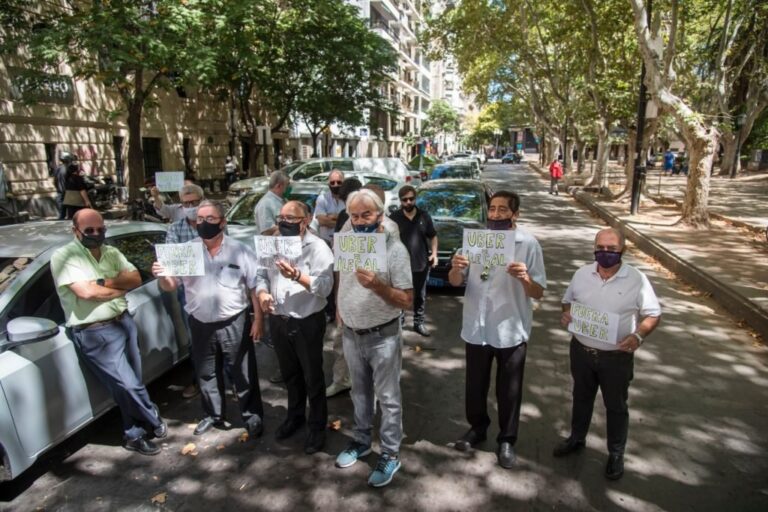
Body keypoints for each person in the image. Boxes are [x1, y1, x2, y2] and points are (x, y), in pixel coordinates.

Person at [51, 209, 166, 455]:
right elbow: (86, 292)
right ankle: (152, 416)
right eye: (89, 230)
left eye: (100, 229)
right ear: (75, 231)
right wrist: (118, 287)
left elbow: (135, 279)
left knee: (130, 383)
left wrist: (103, 283)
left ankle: (134, 434)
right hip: (94, 332)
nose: (96, 234)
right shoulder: (64, 256)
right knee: (128, 385)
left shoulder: (111, 252)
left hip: (123, 322)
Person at [448, 190, 546, 469]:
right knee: (475, 385)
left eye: (503, 209)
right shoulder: (474, 241)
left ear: (516, 214)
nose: (496, 214)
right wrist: (455, 268)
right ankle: (477, 428)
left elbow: (538, 292)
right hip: (476, 327)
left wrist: (525, 278)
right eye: (492, 209)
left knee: (509, 389)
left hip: (510, 329)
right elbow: (455, 281)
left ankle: (507, 439)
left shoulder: (528, 244)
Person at [554, 227, 661, 481]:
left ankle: (615, 453)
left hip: (616, 357)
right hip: (581, 351)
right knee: (581, 398)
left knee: (615, 406)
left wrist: (638, 336)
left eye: (611, 249)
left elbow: (653, 314)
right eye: (600, 248)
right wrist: (567, 313)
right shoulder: (582, 274)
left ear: (623, 250)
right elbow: (567, 301)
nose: (605, 253)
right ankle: (577, 438)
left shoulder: (636, 279)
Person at [152, 200, 265, 439]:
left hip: (234, 321)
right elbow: (171, 285)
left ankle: (251, 415)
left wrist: (258, 320)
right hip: (200, 322)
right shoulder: (187, 251)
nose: (203, 223)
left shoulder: (240, 250)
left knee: (242, 371)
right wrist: (162, 275)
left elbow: (254, 286)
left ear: (222, 222)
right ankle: (213, 415)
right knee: (206, 372)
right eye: (200, 219)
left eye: (210, 219)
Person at [334, 189, 413, 488]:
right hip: (351, 333)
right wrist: (339, 308)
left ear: (380, 215)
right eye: (354, 216)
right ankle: (362, 441)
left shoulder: (395, 250)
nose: (359, 221)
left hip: (383, 336)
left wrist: (378, 286)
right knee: (360, 393)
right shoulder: (348, 241)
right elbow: (342, 278)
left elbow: (407, 300)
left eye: (366, 214)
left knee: (389, 398)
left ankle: (390, 453)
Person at [256, 201, 334, 454]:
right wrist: (262, 293)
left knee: (313, 377)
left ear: (306, 220)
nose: (284, 222)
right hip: (279, 320)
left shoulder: (318, 247)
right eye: (281, 217)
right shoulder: (272, 244)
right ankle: (295, 416)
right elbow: (261, 274)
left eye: (291, 218)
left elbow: (325, 287)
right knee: (290, 375)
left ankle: (317, 427)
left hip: (307, 321)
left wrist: (297, 276)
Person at [166, 183, 206, 399]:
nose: (190, 207)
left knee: (223, 336)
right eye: (186, 204)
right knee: (195, 338)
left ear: (202, 201)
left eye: (194, 202)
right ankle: (199, 380)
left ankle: (232, 381)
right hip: (188, 292)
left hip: (215, 288)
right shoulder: (174, 229)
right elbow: (173, 261)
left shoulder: (213, 223)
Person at [325, 177, 363, 398]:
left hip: (370, 296)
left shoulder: (386, 227)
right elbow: (340, 260)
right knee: (341, 342)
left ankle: (367, 388)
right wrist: (338, 297)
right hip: (348, 290)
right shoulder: (342, 218)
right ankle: (341, 380)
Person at [389, 185, 438, 336]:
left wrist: (434, 254)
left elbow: (433, 236)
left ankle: (419, 323)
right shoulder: (394, 218)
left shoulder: (424, 216)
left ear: (415, 199)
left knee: (419, 296)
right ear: (400, 201)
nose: (408, 202)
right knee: (400, 294)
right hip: (400, 265)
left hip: (421, 263)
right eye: (405, 200)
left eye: (411, 199)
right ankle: (400, 321)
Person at [314, 169, 346, 323]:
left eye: (339, 182)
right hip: (326, 243)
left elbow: (348, 221)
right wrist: (340, 219)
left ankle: (341, 309)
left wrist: (332, 217)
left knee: (342, 279)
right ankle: (330, 311)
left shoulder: (348, 198)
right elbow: (321, 220)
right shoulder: (322, 198)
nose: (335, 185)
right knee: (328, 276)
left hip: (343, 243)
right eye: (332, 182)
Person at [53, 152, 75, 220]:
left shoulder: (58, 169)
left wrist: (58, 187)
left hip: (60, 190)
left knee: (61, 204)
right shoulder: (70, 168)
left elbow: (55, 181)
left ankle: (62, 216)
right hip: (68, 190)